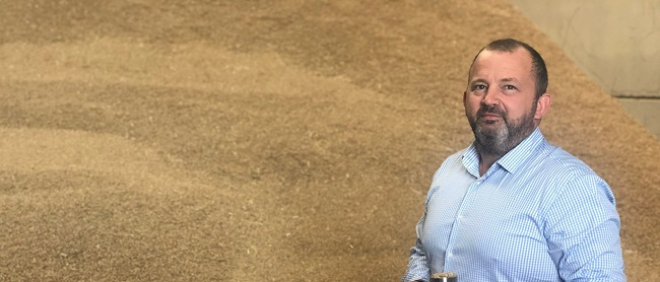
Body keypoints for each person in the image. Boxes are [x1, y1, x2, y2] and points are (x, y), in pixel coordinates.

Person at [401, 38, 626, 281]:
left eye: (508, 87)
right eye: (479, 86)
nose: (489, 99)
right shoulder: (448, 171)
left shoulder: (574, 187)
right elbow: (423, 254)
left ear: (540, 106)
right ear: (465, 99)